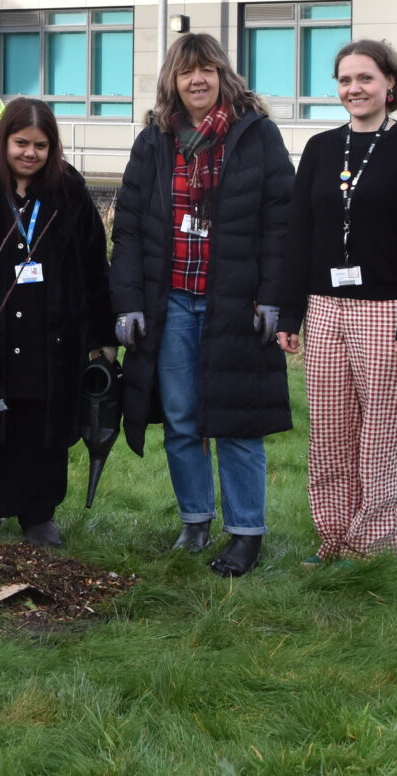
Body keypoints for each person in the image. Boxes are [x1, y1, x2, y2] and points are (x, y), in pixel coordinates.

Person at [109, 32, 293, 579]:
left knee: (237, 422)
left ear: (223, 75)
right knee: (183, 420)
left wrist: (273, 297)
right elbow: (130, 229)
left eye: (208, 69)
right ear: (172, 79)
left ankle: (245, 534)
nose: (198, 80)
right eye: (188, 71)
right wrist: (129, 303)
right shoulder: (154, 141)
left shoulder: (255, 136)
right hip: (172, 304)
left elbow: (281, 223)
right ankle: (194, 523)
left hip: (236, 304)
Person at [277, 40, 397, 562]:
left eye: (366, 79)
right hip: (324, 307)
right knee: (329, 435)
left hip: (387, 310)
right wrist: (290, 313)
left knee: (383, 438)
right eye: (346, 80)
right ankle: (334, 538)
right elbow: (299, 234)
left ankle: (374, 547)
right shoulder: (322, 149)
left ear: (390, 84)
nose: (355, 89)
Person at [0, 97, 113, 548]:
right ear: (3, 142)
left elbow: (94, 262)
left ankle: (39, 513)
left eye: (40, 145)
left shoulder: (68, 190)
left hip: (52, 331)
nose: (30, 154)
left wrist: (101, 335)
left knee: (40, 423)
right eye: (20, 143)